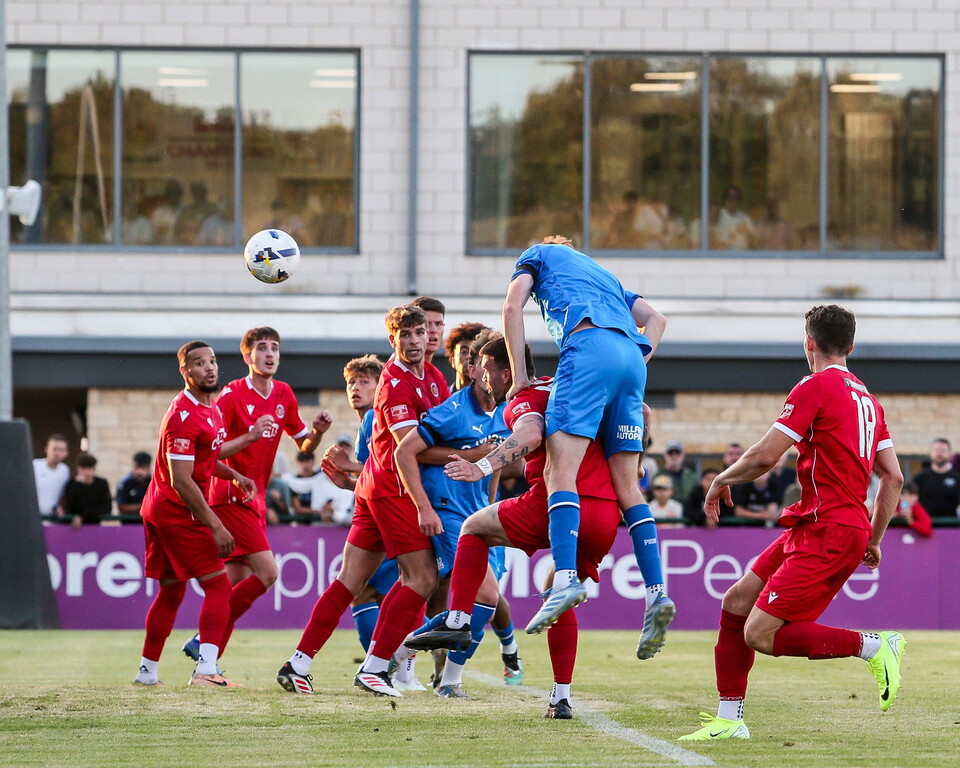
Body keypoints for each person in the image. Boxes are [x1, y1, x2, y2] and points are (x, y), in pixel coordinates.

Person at [679, 305, 906, 741]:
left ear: (809, 343)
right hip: (824, 525)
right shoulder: (870, 402)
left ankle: (875, 646)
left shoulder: (815, 386)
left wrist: (720, 480)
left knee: (761, 634)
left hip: (829, 528)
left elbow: (765, 456)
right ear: (852, 346)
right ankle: (730, 720)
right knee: (736, 599)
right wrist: (873, 538)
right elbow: (893, 477)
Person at [405, 335, 626, 718]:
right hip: (606, 512)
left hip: (558, 503)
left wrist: (480, 466)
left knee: (474, 529)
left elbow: (529, 435)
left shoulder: (520, 399)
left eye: (485, 369)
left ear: (505, 371)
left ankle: (457, 620)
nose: (481, 377)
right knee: (556, 588)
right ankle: (560, 696)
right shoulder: (572, 386)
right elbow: (639, 412)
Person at [502, 235, 673, 643]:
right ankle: (657, 594)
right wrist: (629, 357)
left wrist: (521, 378)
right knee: (629, 487)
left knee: (559, 471)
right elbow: (658, 320)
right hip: (633, 360)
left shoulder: (538, 255)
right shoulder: (607, 277)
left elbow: (511, 306)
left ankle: (564, 579)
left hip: (589, 347)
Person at [275, 305, 450, 697]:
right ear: (393, 340)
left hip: (374, 486)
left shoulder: (435, 378)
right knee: (421, 579)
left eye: (421, 331)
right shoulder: (394, 383)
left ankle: (298, 664)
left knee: (351, 582)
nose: (417, 340)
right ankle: (377, 668)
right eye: (406, 334)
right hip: (393, 489)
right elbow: (410, 450)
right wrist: (472, 458)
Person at [180, 327, 333, 667]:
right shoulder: (233, 394)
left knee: (232, 584)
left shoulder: (283, 393)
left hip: (256, 498)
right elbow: (211, 451)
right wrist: (249, 436)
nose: (269, 354)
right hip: (231, 495)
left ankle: (209, 660)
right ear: (248, 356)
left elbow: (303, 444)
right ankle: (203, 642)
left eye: (274, 348)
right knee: (268, 573)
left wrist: (318, 432)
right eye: (262, 348)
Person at [394, 330, 522, 697]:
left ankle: (443, 676)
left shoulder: (504, 412)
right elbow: (406, 452)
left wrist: (493, 505)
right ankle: (402, 655)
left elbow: (497, 464)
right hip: (451, 512)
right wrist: (424, 505)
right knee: (484, 592)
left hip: (482, 513)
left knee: (485, 601)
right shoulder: (453, 409)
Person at [133, 341, 255, 688]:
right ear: (185, 372)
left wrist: (234, 474)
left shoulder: (209, 409)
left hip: (161, 509)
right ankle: (206, 671)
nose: (210, 367)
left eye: (212, 361)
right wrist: (215, 525)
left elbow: (202, 460)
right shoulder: (182, 416)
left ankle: (147, 673)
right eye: (199, 363)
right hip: (176, 512)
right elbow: (181, 479)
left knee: (171, 591)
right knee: (218, 586)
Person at [911, 438, 960, 518]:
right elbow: (907, 499)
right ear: (930, 453)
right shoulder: (920, 478)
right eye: (936, 450)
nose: (939, 454)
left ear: (949, 454)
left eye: (943, 450)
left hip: (951, 528)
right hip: (925, 527)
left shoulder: (957, 478)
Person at [62, 454, 113, 527]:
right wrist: (79, 485)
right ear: (78, 469)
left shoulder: (102, 484)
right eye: (84, 468)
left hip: (94, 526)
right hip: (74, 527)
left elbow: (106, 508)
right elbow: (69, 507)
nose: (87, 472)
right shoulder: (71, 485)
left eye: (90, 468)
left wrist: (83, 516)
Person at [33, 433, 70, 522]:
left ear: (66, 453)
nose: (57, 453)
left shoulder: (65, 470)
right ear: (46, 450)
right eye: (54, 449)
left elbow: (63, 496)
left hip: (52, 521)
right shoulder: (34, 466)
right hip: (32, 519)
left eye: (61, 450)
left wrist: (61, 508)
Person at [443, 321, 489, 391]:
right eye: (464, 352)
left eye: (475, 353)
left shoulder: (496, 400)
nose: (469, 357)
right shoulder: (443, 398)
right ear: (452, 359)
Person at [714, 185, 757, 250]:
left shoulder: (745, 217)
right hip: (723, 257)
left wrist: (747, 233)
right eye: (729, 197)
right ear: (724, 199)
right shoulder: (718, 216)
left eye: (735, 197)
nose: (732, 200)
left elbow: (754, 243)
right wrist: (734, 233)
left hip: (743, 257)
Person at [412, 296, 446, 366]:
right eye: (427, 324)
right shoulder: (395, 372)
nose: (433, 330)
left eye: (438, 324)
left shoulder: (435, 374)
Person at [116, 451, 152, 517]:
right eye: (137, 467)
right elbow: (122, 507)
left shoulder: (153, 481)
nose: (139, 472)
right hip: (129, 523)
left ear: (148, 468)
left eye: (143, 468)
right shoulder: (125, 482)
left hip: (149, 522)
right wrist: (145, 506)